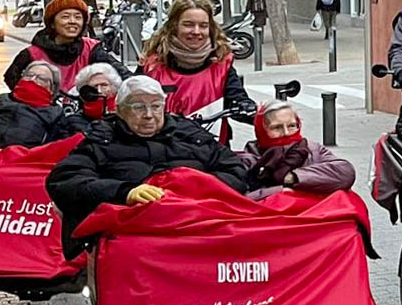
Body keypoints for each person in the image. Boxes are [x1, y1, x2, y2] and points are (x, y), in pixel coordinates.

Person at [46, 75, 254, 255]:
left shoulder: (192, 135)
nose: (148, 114)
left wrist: (195, 188)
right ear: (120, 111)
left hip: (199, 222)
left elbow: (235, 171)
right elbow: (64, 180)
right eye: (138, 107)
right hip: (135, 232)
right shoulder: (101, 139)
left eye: (156, 106)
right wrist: (125, 192)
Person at [138, 0, 254, 140]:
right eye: (188, 25)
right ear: (174, 26)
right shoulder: (152, 66)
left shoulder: (221, 64)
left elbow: (236, 98)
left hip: (212, 147)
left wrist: (259, 112)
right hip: (163, 146)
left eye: (203, 26)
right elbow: (131, 101)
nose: (196, 31)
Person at [2, 0, 128, 91]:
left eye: (78, 17)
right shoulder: (32, 53)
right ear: (52, 23)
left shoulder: (91, 49)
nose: (72, 21)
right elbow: (11, 78)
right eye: (65, 17)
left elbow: (121, 73)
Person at [240, 100, 355, 198]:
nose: (286, 133)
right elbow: (242, 196)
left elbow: (345, 173)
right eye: (276, 127)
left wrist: (293, 177)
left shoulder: (312, 149)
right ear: (261, 130)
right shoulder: (250, 156)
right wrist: (281, 191)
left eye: (291, 126)